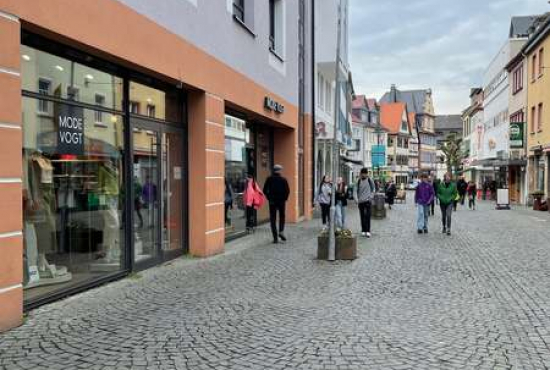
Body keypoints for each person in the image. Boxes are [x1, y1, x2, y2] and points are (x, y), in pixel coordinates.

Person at [263, 164, 290, 244]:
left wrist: (269, 198)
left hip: (272, 202)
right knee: (282, 216)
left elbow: (264, 190)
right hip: (281, 201)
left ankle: (275, 238)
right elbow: (287, 191)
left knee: (273, 219)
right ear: (279, 171)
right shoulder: (283, 179)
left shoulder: (269, 179)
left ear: (273, 170)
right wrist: (284, 199)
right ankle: (281, 231)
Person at [356, 168, 375, 238]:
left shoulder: (370, 180)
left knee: (368, 216)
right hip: (361, 202)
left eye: (365, 174)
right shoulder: (358, 181)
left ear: (367, 174)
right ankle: (363, 230)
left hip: (368, 201)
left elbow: (373, 189)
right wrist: (356, 199)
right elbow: (355, 190)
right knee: (362, 216)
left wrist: (371, 197)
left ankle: (368, 231)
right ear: (361, 174)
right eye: (363, 173)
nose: (364, 175)